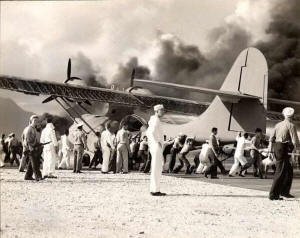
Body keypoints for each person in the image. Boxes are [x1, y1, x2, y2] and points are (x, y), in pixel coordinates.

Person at [269, 107, 300, 200]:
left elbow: (271, 138)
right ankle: (273, 195)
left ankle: (284, 192)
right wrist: (297, 150)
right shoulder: (291, 125)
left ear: (284, 115)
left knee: (289, 170)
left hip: (277, 147)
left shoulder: (278, 124)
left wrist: (270, 151)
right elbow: (295, 140)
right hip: (283, 148)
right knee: (280, 171)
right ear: (293, 116)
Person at [147, 104, 166, 196]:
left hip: (155, 146)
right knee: (156, 168)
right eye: (161, 110)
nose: (163, 111)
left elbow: (149, 132)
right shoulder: (155, 120)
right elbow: (151, 132)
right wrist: (157, 141)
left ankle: (154, 189)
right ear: (157, 111)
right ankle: (155, 190)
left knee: (156, 167)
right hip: (156, 146)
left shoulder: (153, 119)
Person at [24, 115, 43, 181]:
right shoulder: (30, 129)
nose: (36, 122)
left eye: (37, 121)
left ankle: (27, 176)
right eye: (35, 121)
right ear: (31, 121)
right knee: (35, 163)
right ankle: (38, 176)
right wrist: (31, 147)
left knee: (31, 163)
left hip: (34, 147)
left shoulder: (34, 128)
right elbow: (28, 140)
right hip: (31, 148)